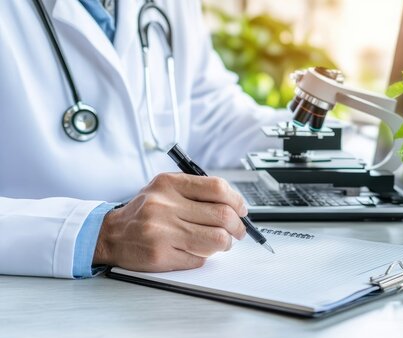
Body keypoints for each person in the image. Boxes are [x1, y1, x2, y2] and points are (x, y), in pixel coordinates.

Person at [0, 0, 288, 278]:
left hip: (158, 288)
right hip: (34, 299)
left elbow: (212, 113)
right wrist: (101, 233)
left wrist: (323, 135)